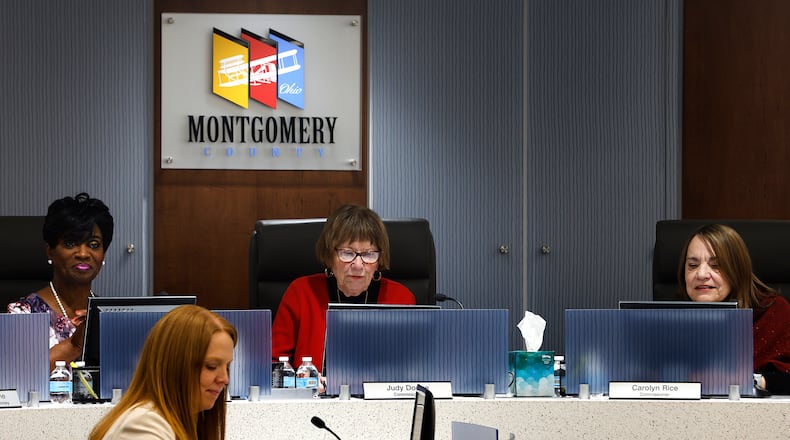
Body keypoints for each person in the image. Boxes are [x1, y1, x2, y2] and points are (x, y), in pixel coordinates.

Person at [271, 204, 416, 370]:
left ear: (379, 260)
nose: (358, 265)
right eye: (347, 253)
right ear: (329, 255)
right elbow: (274, 362)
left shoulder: (401, 299)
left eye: (369, 254)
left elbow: (413, 365)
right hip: (313, 394)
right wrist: (301, 381)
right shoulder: (301, 292)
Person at [89, 305, 237, 440]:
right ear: (176, 365)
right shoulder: (143, 426)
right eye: (211, 366)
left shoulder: (183, 422)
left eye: (227, 367)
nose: (224, 379)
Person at [678, 223, 790, 394]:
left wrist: (753, 382)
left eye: (716, 265)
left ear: (737, 269)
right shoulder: (672, 318)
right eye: (692, 265)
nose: (701, 274)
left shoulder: (774, 312)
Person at [7, 192, 114, 370]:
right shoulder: (23, 314)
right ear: (50, 251)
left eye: (93, 244)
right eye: (70, 243)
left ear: (103, 254)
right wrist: (74, 345)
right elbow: (19, 375)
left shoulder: (110, 316)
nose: (83, 253)